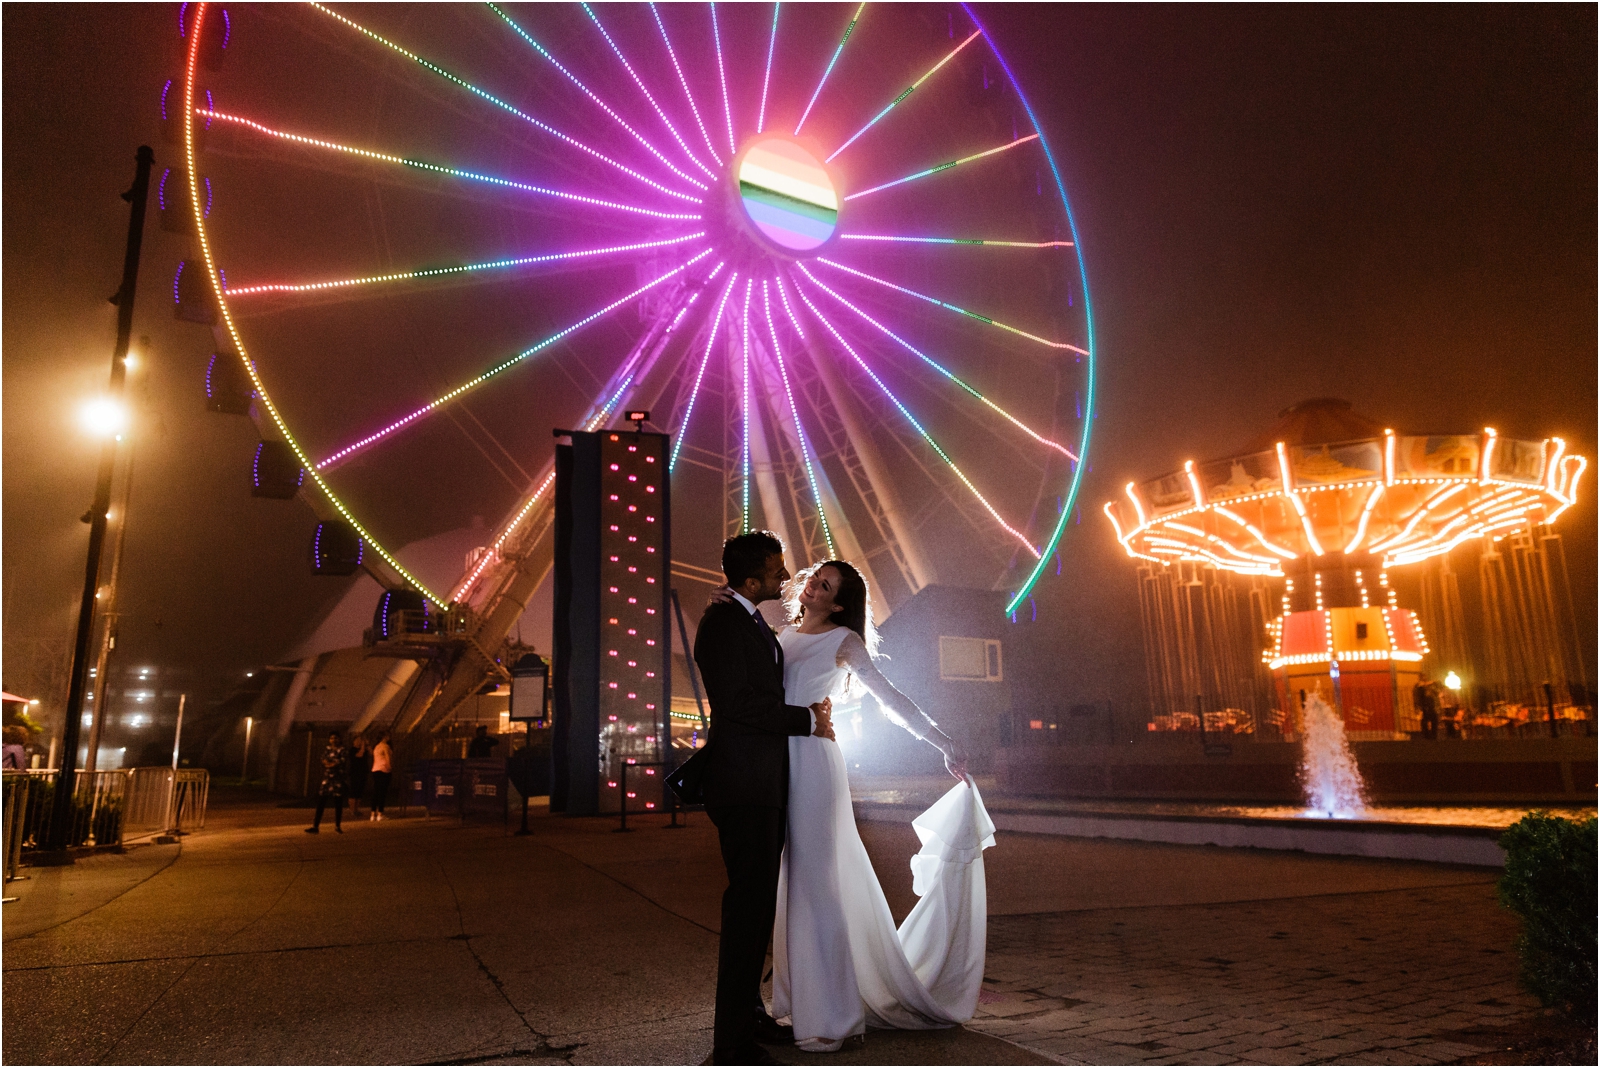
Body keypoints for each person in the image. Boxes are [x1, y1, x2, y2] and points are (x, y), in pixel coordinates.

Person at [718, 560, 986, 1054]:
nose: (813, 585)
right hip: (778, 762)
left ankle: (834, 1017)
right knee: (788, 884)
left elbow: (890, 698)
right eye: (815, 578)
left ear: (838, 604)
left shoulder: (844, 642)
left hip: (814, 765)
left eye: (826, 585)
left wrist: (941, 740)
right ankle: (804, 1003)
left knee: (817, 883)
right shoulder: (780, 634)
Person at [695, 531, 835, 1067]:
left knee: (756, 910)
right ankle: (728, 1044)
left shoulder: (743, 617)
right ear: (751, 579)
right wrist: (807, 721)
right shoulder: (724, 623)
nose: (785, 576)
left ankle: (749, 1012)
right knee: (747, 910)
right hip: (744, 785)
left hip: (761, 784)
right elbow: (739, 704)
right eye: (776, 570)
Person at [306, 731, 349, 834]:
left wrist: (331, 764)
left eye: (336, 738)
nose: (333, 740)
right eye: (331, 738)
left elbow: (340, 761)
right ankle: (315, 826)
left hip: (337, 778)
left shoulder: (343, 750)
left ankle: (338, 826)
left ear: (340, 739)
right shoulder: (327, 749)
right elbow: (323, 759)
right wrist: (329, 763)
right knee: (321, 802)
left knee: (338, 802)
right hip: (327, 779)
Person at [347, 733, 372, 818]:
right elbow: (360, 755)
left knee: (360, 792)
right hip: (355, 773)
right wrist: (363, 746)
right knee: (353, 791)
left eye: (360, 740)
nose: (359, 742)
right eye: (357, 740)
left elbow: (371, 753)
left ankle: (357, 809)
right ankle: (352, 809)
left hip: (363, 773)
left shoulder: (364, 749)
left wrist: (367, 744)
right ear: (353, 742)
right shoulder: (352, 750)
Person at [369, 732, 393, 821]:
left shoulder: (376, 747)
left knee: (375, 792)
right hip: (384, 770)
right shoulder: (385, 746)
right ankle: (380, 813)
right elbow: (388, 758)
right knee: (382, 792)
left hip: (375, 769)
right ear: (384, 737)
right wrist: (390, 768)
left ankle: (372, 813)